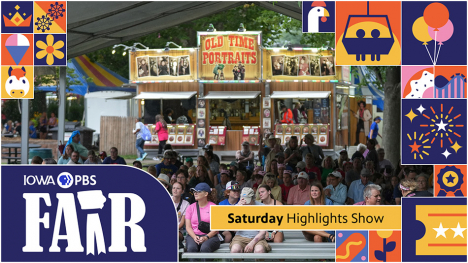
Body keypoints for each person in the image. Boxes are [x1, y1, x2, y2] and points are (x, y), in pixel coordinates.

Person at [230, 187, 271, 254]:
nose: (245, 203)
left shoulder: (262, 207)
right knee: (235, 249)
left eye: (247, 201)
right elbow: (233, 229)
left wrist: (252, 243)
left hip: (257, 237)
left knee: (259, 250)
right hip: (240, 237)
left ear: (253, 198)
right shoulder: (237, 207)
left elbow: (262, 232)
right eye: (243, 200)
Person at [185, 183, 220, 254]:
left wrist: (206, 237)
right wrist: (194, 237)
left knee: (205, 248)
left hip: (210, 236)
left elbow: (216, 228)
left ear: (206, 194)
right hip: (193, 235)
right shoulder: (190, 207)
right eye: (194, 191)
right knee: (192, 248)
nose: (195, 193)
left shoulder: (214, 207)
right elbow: (188, 227)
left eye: (198, 191)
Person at [172, 181, 190, 248]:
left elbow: (182, 222)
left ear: (182, 191)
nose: (175, 190)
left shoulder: (186, 204)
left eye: (178, 188)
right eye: (173, 188)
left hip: (178, 231)